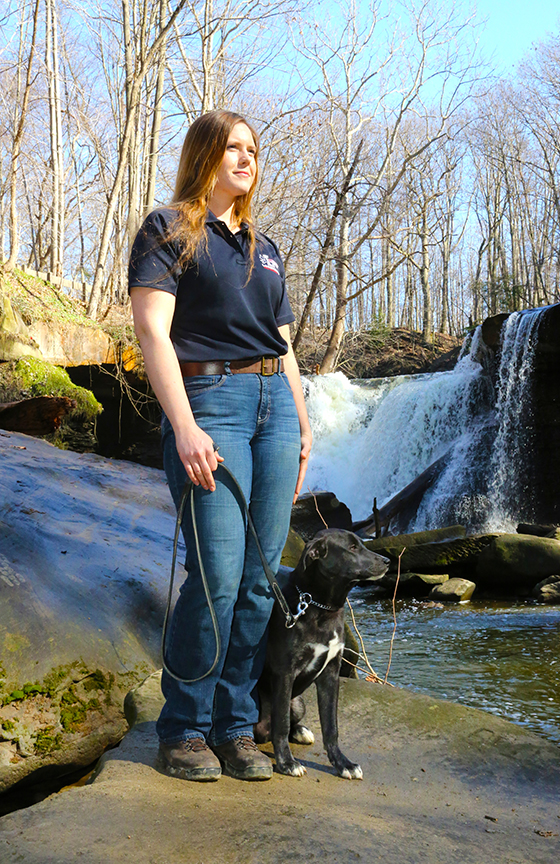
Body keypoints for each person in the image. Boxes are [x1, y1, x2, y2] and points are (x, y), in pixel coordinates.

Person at [129, 110, 312, 783]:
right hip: (212, 406)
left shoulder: (265, 246)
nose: (247, 159)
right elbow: (153, 334)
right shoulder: (168, 230)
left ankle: (235, 727)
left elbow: (283, 344)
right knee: (216, 580)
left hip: (273, 410)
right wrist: (184, 427)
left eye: (254, 150)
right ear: (205, 155)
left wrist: (301, 419)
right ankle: (182, 728)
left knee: (263, 585)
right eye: (234, 148)